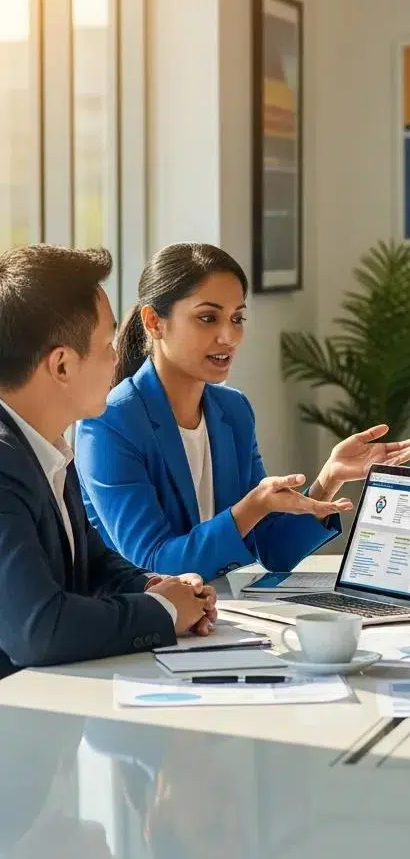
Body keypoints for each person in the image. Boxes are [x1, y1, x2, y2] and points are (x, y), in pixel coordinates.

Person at [76, 243, 410, 583]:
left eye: (237, 318)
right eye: (207, 318)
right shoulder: (110, 423)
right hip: (142, 623)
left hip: (215, 617)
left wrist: (329, 478)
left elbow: (273, 550)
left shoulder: (233, 410)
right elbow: (154, 564)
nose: (228, 337)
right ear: (154, 322)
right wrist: (253, 506)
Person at [0, 245, 216, 679]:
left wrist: (157, 587)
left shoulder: (45, 447)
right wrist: (160, 613)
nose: (118, 358)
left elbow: (92, 560)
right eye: (106, 345)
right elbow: (37, 629)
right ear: (61, 365)